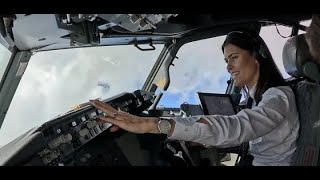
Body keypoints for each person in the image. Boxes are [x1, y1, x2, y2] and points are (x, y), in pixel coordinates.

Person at [89, 30, 300, 166]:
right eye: (226, 60)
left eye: (234, 58)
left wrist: (151, 124)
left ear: (257, 55)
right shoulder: (257, 98)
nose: (228, 67)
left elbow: (238, 127)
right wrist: (203, 137)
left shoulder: (278, 97)